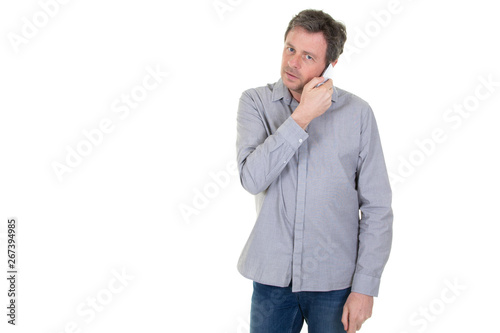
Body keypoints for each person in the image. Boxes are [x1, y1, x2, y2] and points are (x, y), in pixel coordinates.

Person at [236, 9, 393, 333]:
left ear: (329, 65)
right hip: (272, 282)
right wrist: (301, 118)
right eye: (290, 48)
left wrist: (365, 286)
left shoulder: (358, 114)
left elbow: (377, 207)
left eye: (308, 56)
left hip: (335, 284)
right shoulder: (255, 103)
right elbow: (251, 179)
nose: (292, 62)